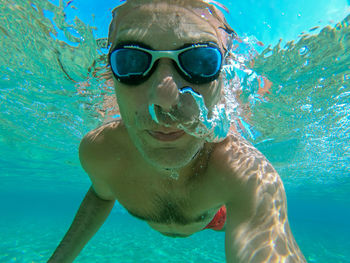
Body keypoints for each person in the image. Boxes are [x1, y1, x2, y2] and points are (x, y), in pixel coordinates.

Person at [48, 0, 306, 262]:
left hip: (217, 219)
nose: (165, 100)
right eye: (131, 61)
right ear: (112, 76)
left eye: (201, 62)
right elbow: (101, 195)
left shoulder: (246, 174)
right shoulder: (100, 151)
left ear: (224, 76)